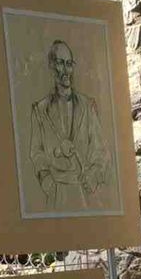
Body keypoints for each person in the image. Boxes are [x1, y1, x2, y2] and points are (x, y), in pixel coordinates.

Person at [29, 39, 110, 210]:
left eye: (69, 64)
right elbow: (36, 152)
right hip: (56, 195)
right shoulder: (40, 110)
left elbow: (100, 149)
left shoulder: (87, 105)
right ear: (52, 66)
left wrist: (94, 174)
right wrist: (47, 182)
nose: (66, 70)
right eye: (60, 63)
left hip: (84, 193)